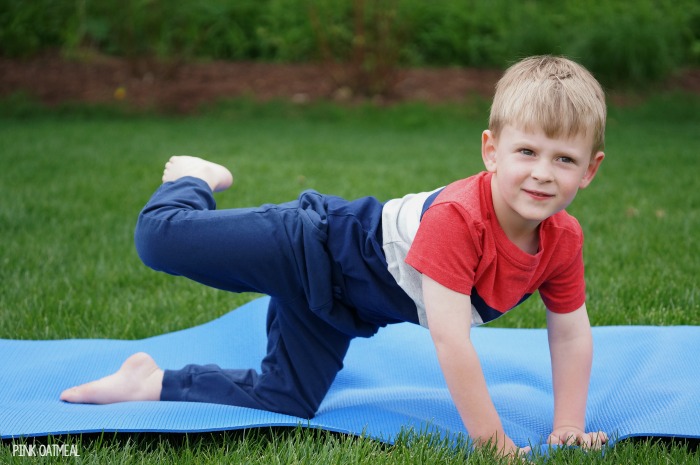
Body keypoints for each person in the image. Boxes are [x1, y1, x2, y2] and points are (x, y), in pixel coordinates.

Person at [60, 55, 608, 456]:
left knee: (286, 401)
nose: (542, 172)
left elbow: (570, 331)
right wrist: (495, 445)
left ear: (589, 170)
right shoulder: (459, 220)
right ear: (491, 150)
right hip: (312, 245)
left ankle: (147, 381)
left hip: (340, 309)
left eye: (564, 159)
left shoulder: (563, 241)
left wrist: (567, 424)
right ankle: (192, 179)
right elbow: (450, 339)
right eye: (527, 151)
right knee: (157, 238)